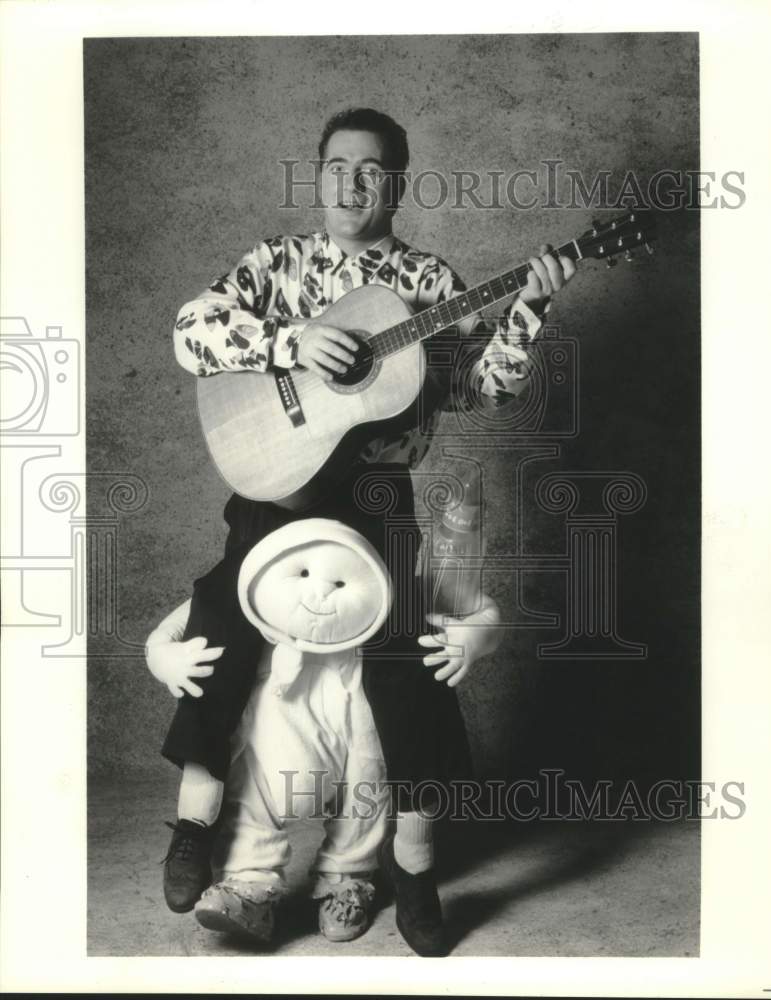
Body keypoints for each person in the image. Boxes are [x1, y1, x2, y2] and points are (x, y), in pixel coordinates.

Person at [156, 106, 576, 956]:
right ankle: (194, 827)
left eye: (373, 168)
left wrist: (526, 311)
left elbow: (482, 393)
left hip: (378, 500)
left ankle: (410, 866)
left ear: (397, 181)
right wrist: (292, 341)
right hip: (274, 490)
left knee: (410, 656)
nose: (353, 181)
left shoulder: (427, 282)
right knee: (219, 621)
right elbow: (189, 332)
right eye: (338, 165)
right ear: (318, 176)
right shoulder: (277, 264)